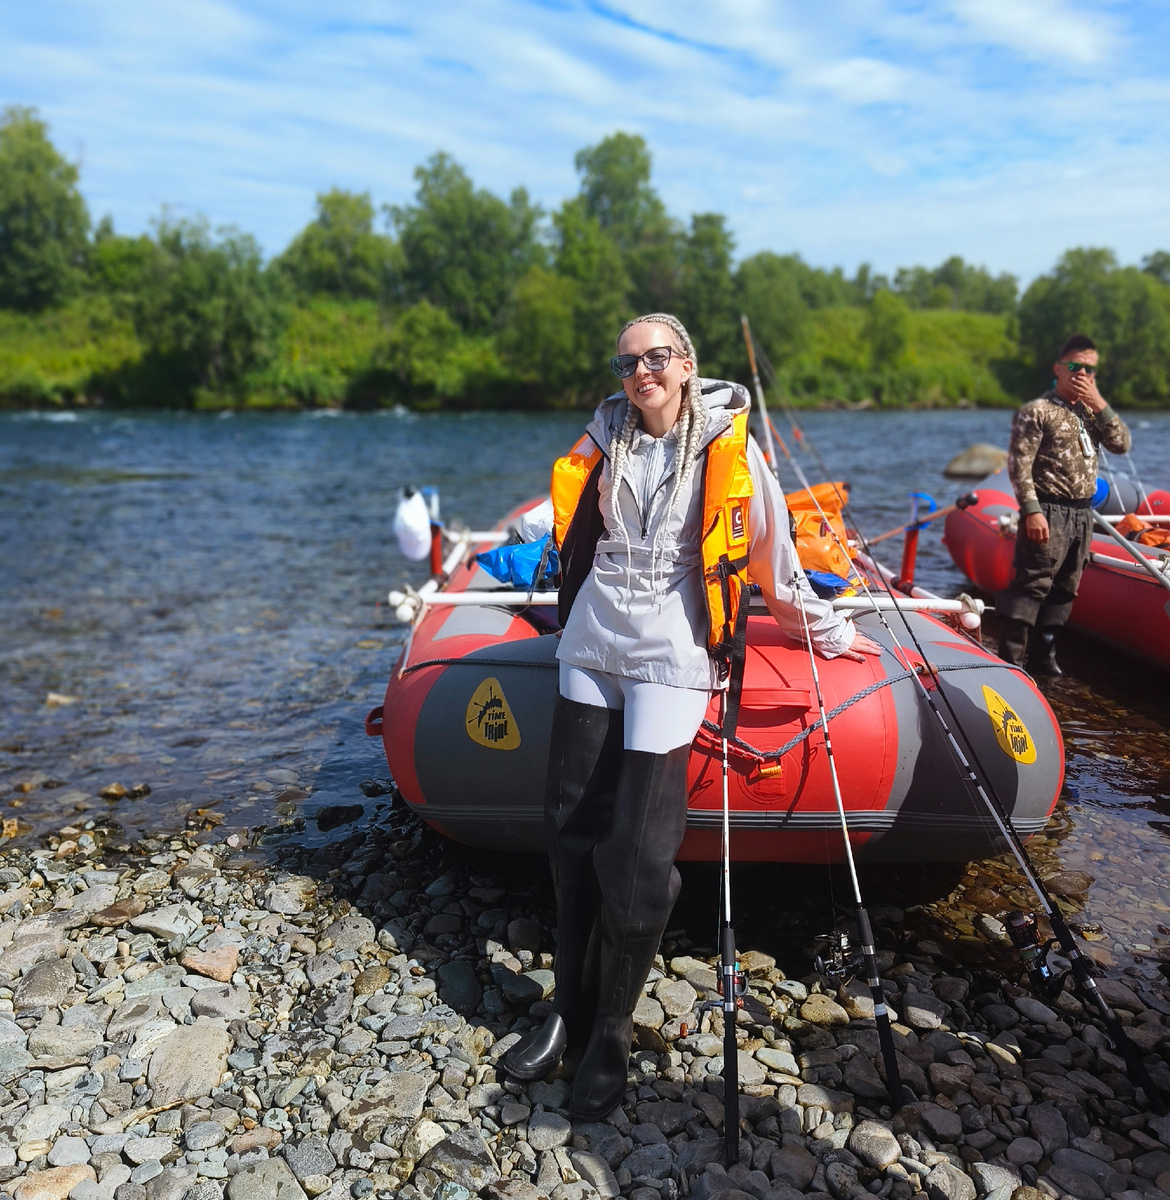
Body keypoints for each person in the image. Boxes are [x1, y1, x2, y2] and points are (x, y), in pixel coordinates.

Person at [502, 313, 881, 1120]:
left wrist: (833, 632)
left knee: (639, 857)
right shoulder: (602, 437)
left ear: (686, 365)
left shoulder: (730, 448)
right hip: (593, 638)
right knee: (572, 831)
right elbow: (562, 528)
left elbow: (774, 566)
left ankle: (609, 1031)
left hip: (673, 650)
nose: (641, 372)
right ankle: (567, 1007)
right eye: (627, 362)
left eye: (656, 358)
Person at [998, 333, 1131, 674]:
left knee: (1066, 587)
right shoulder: (1037, 411)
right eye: (1075, 366)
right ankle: (1011, 661)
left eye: (1090, 370)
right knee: (1032, 585)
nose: (1082, 374)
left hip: (1082, 513)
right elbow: (1019, 465)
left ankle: (1044, 657)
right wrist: (1032, 511)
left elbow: (1121, 444)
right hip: (1048, 509)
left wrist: (1099, 403)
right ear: (1058, 368)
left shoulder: (1090, 413)